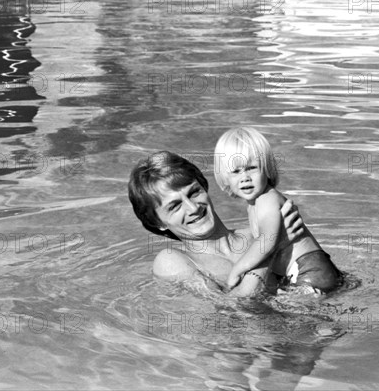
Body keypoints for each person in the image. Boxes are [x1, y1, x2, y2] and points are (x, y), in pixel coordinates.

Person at [128, 150, 304, 297]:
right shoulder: (172, 261)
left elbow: (319, 277)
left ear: (204, 187)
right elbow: (228, 310)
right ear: (157, 222)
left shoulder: (256, 233)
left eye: (194, 192)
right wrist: (271, 246)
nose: (193, 208)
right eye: (175, 206)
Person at [214, 127, 342, 293]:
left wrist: (237, 270)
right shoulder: (254, 205)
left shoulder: (267, 199)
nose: (245, 177)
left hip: (310, 271)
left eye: (252, 168)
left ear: (267, 169)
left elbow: (267, 241)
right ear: (225, 178)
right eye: (236, 171)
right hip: (313, 269)